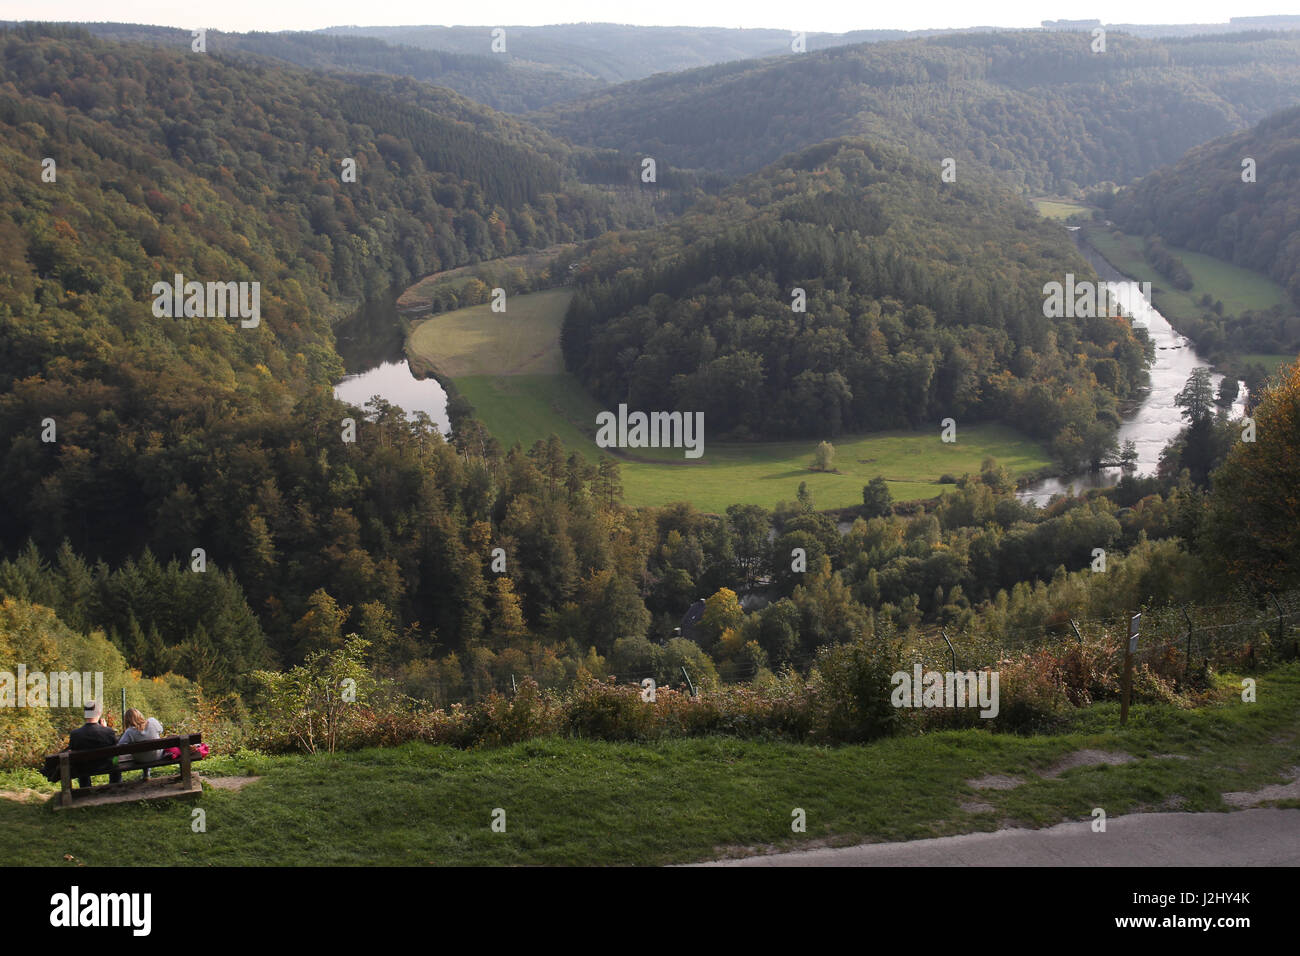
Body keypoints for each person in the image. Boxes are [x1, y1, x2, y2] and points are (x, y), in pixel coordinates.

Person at [69, 700, 121, 788]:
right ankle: (115, 784)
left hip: (84, 768)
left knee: (79, 762)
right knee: (115, 761)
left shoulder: (75, 734)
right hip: (106, 765)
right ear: (99, 713)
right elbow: (116, 751)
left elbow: (72, 751)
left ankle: (85, 788)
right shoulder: (109, 731)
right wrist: (105, 729)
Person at [117, 708, 164, 780]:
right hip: (157, 755)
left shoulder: (129, 731)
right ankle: (147, 774)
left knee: (142, 753)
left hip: (140, 759)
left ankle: (146, 774)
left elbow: (120, 746)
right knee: (149, 749)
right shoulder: (152, 721)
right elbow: (161, 730)